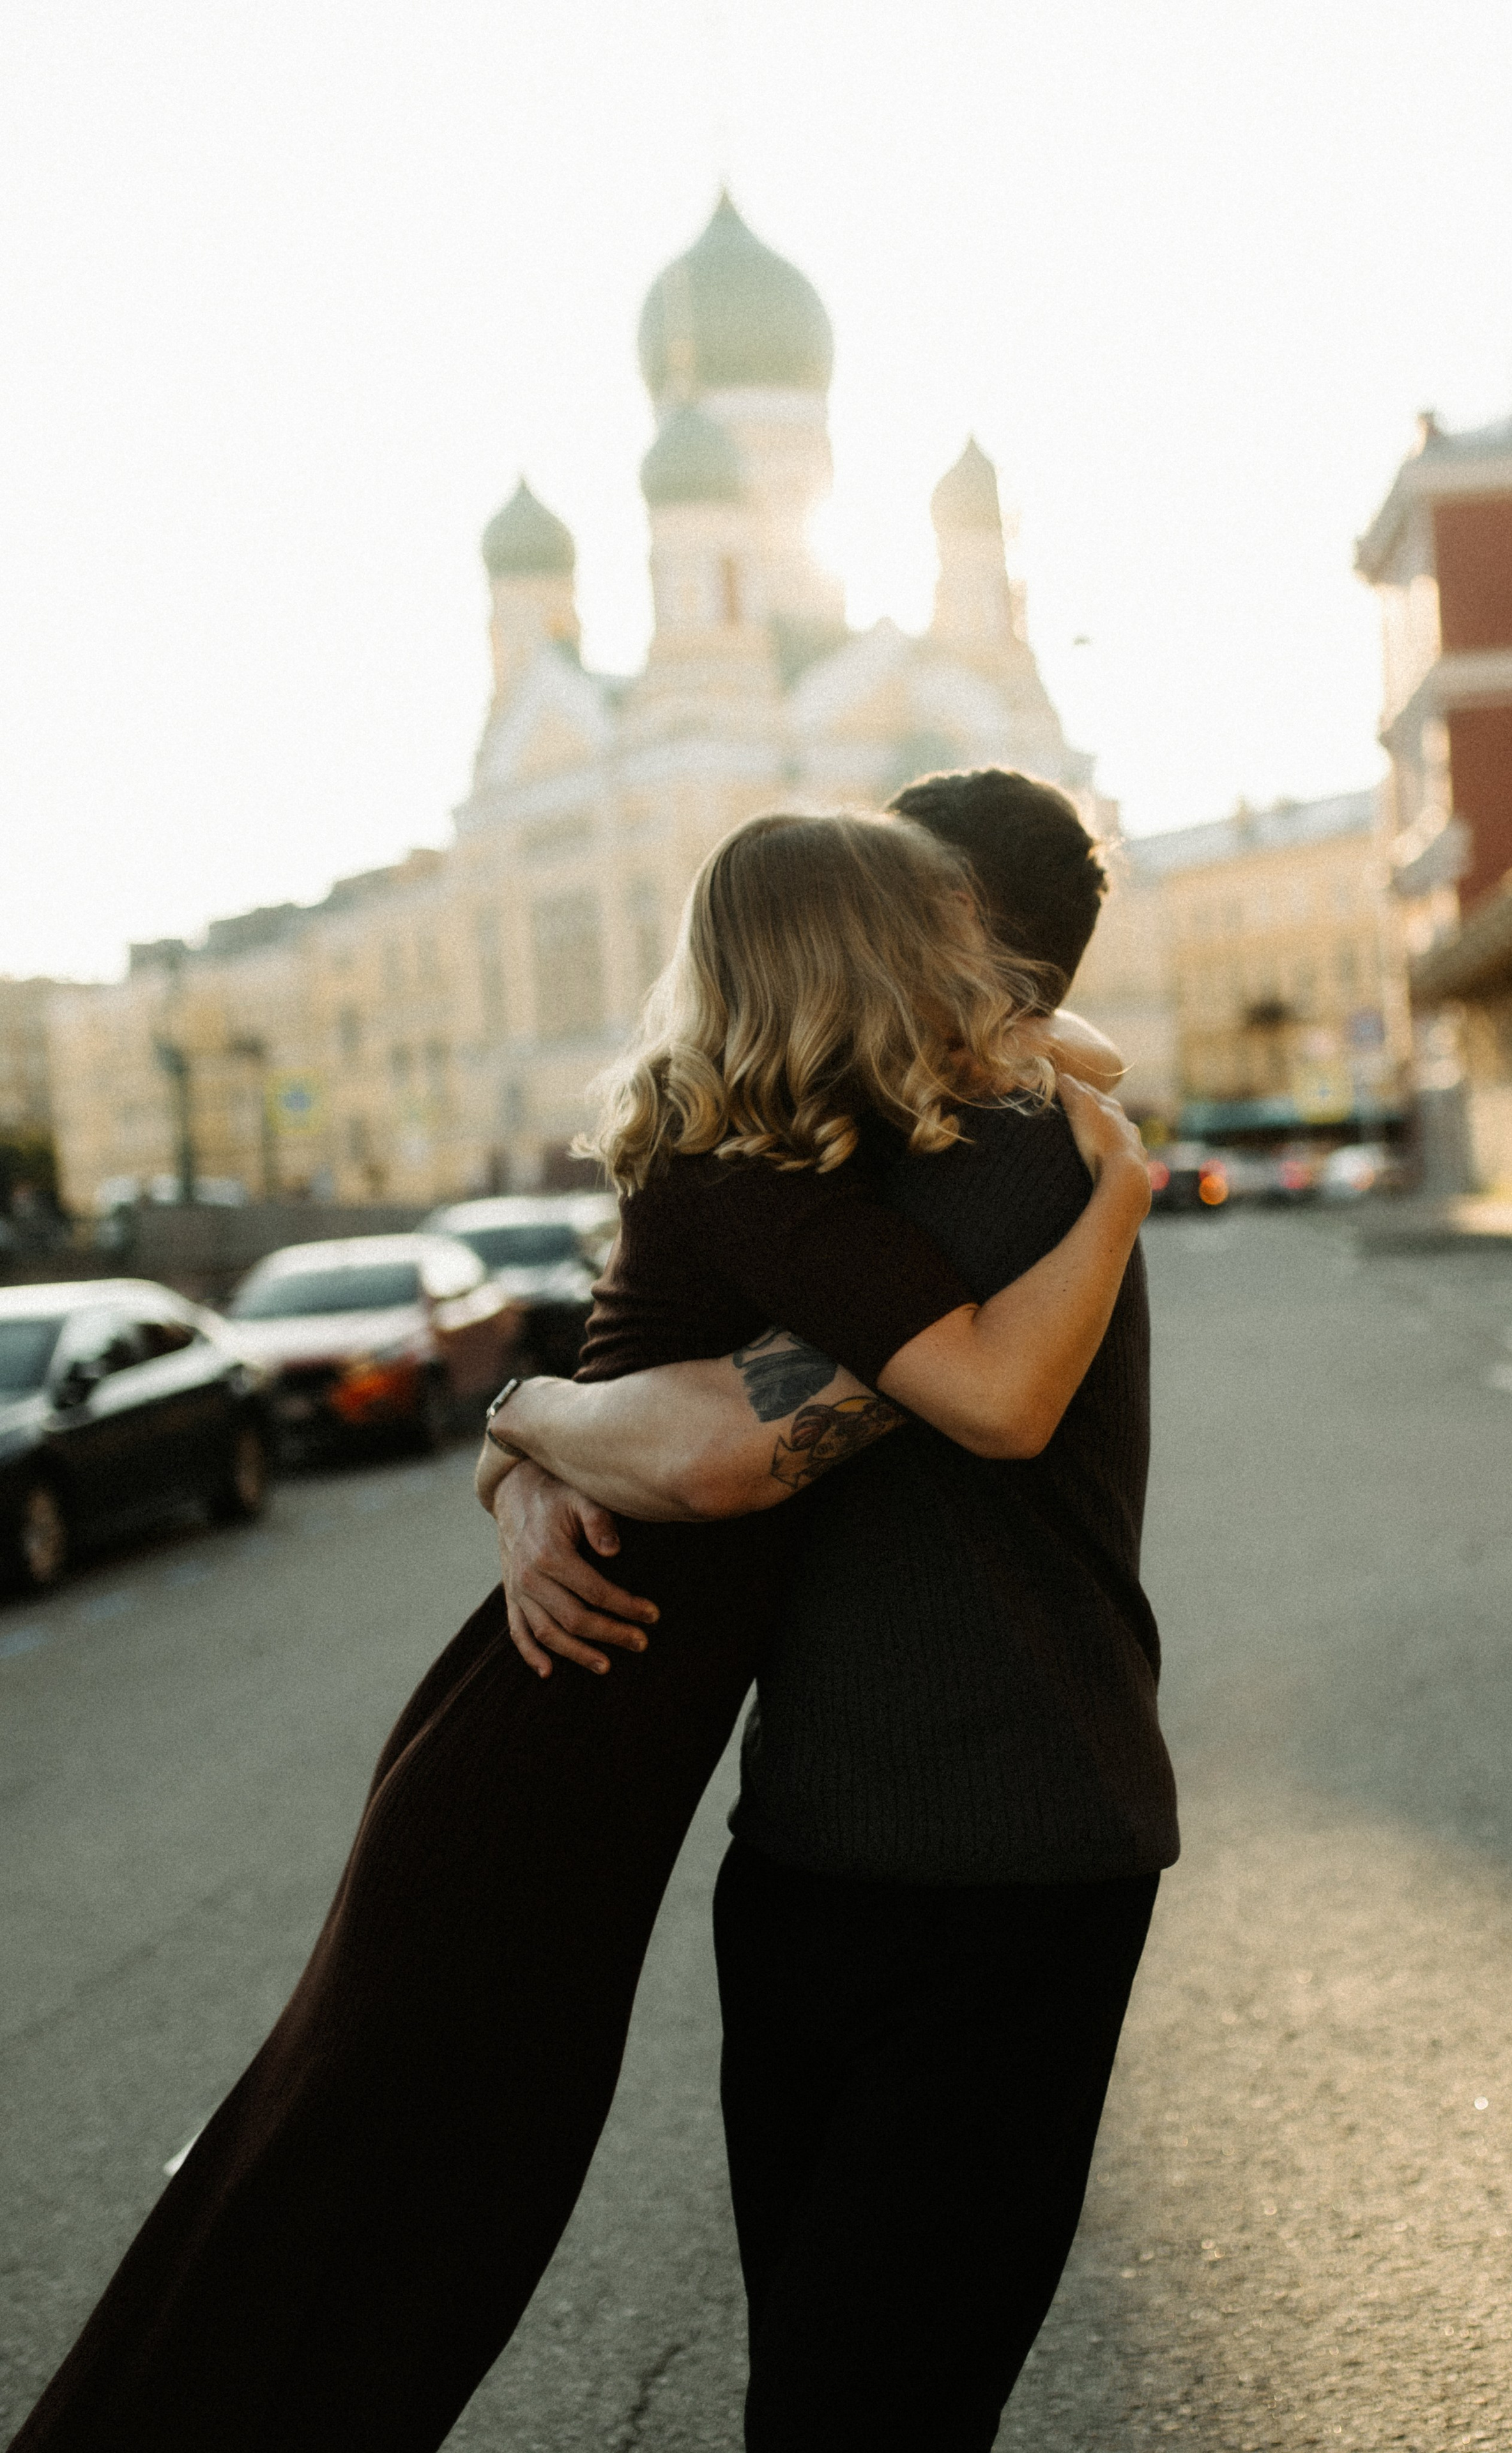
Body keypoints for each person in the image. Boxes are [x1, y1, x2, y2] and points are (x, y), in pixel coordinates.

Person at [11, 807, 1151, 2453]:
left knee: (389, 2210)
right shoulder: (786, 1189)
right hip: (548, 1761)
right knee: (364, 2218)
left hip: (578, 1739)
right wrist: (533, 1422)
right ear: (883, 963)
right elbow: (820, 1431)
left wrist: (530, 1431)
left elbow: (1065, 1039)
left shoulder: (844, 1149)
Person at [477, 769, 1176, 2451]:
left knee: (865, 2406)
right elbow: (632, 1377)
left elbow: (722, 1446)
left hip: (1006, 1873)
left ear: (956, 945)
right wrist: (528, 1455)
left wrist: (527, 1423)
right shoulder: (843, 1150)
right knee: (822, 2381)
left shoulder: (1002, 1176)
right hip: (811, 1858)